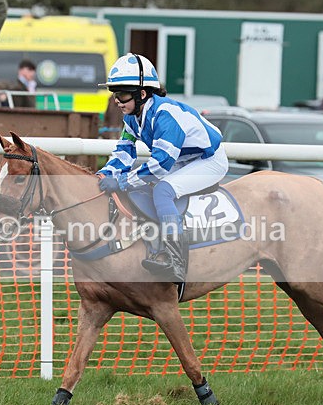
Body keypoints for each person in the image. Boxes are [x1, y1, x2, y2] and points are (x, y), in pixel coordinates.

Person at [96, 53, 227, 283]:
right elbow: (124, 154)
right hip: (184, 158)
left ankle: (175, 260)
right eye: (115, 94)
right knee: (142, 189)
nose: (117, 100)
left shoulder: (166, 115)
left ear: (142, 94)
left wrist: (122, 181)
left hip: (209, 160)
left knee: (162, 190)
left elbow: (160, 164)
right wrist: (104, 174)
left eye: (122, 94)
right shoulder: (131, 118)